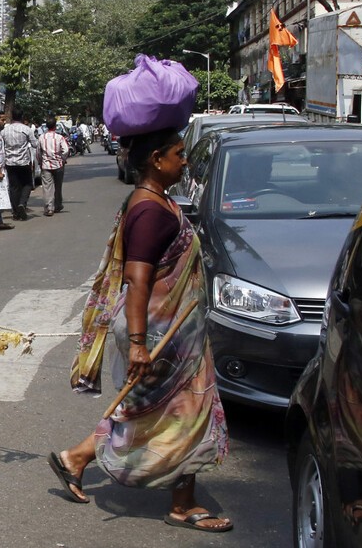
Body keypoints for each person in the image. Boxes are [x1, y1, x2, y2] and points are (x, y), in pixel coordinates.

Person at [48, 127, 232, 533]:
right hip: (154, 334)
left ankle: (76, 458)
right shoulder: (149, 210)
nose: (185, 161)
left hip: (170, 333)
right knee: (182, 414)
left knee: (154, 413)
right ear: (156, 159)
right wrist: (136, 344)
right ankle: (183, 505)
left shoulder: (159, 201)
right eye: (179, 154)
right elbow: (137, 279)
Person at [1, 108, 37, 220]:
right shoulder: (26, 129)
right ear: (22, 117)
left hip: (10, 163)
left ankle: (15, 212)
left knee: (14, 187)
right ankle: (22, 203)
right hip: (23, 162)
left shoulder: (4, 131)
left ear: (12, 117)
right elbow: (35, 144)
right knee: (27, 184)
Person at [36, 117, 69, 217]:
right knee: (58, 186)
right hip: (58, 165)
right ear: (55, 126)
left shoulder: (41, 137)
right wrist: (62, 159)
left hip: (46, 166)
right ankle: (58, 205)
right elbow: (66, 150)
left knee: (47, 188)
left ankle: (49, 208)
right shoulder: (59, 137)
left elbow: (38, 152)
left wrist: (41, 162)